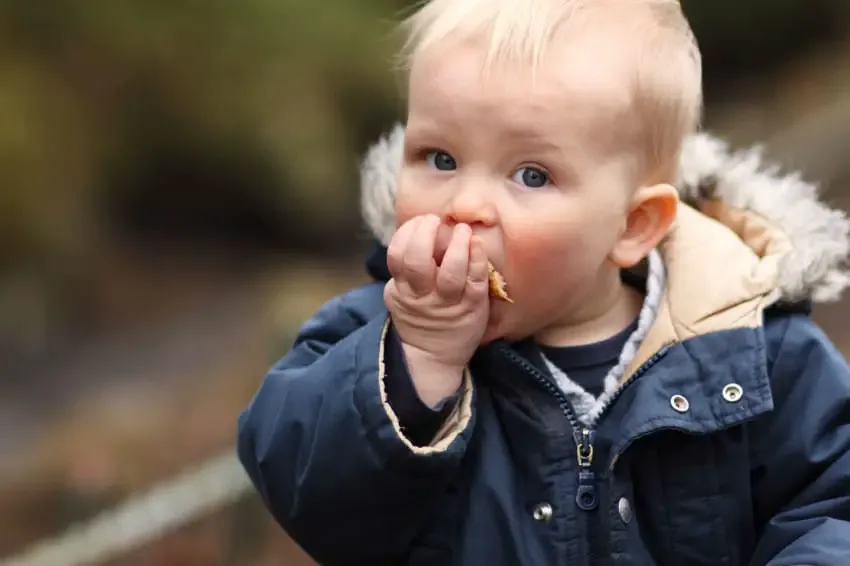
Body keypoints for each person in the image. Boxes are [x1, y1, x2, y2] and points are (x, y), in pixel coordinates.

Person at [237, 0, 850, 563]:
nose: (465, 204)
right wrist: (418, 358)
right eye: (440, 159)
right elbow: (308, 497)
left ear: (633, 225)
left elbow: (832, 503)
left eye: (530, 175)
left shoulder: (753, 352)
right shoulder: (369, 340)